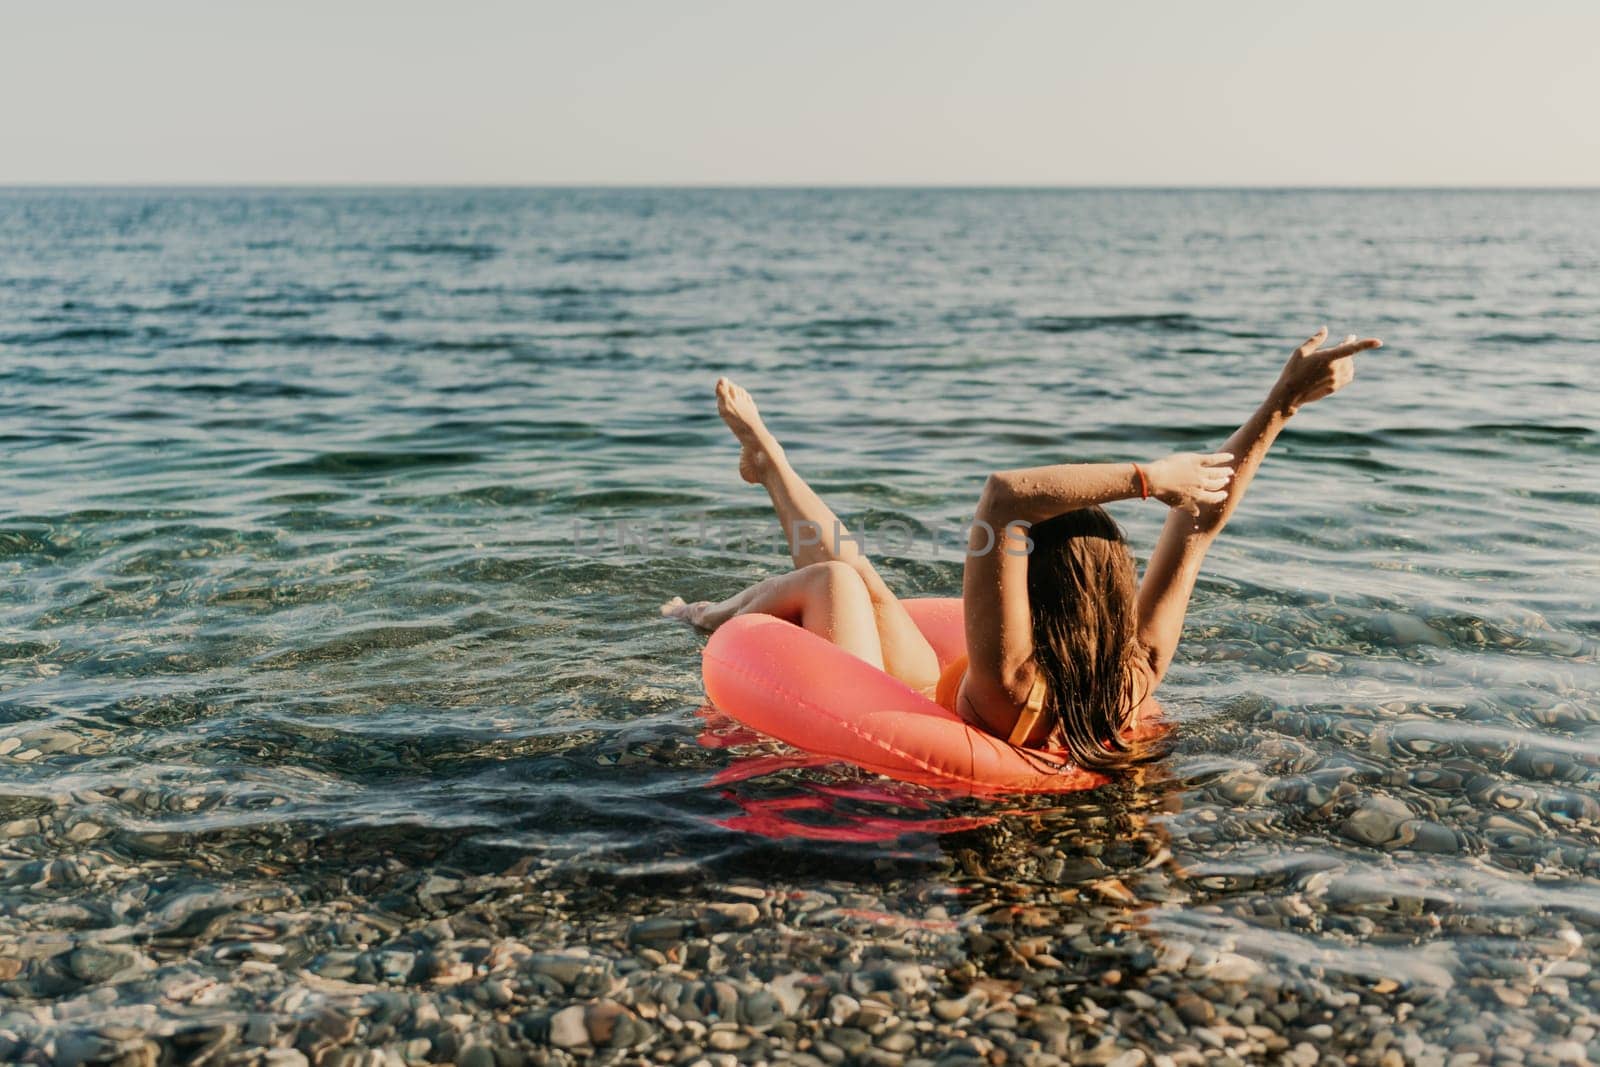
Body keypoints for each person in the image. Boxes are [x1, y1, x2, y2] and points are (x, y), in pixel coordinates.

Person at [663, 327, 1382, 770]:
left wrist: (1147, 478)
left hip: (912, 719)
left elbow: (1003, 496)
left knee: (836, 583)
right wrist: (1281, 405)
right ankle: (772, 464)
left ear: (1033, 591)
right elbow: (1200, 525)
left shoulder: (1006, 679)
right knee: (866, 579)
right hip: (952, 704)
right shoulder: (1137, 670)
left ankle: (713, 614)